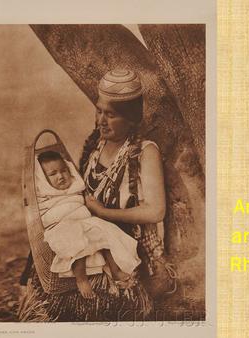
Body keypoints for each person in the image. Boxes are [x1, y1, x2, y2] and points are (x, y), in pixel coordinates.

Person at [80, 69, 175, 298]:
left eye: (110, 115)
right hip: (93, 238)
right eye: (99, 111)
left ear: (131, 118)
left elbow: (155, 211)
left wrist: (103, 213)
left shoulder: (144, 151)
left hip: (130, 247)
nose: (101, 121)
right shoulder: (95, 147)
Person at [35, 150, 140, 299]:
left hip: (83, 221)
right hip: (61, 226)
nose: (61, 176)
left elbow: (83, 201)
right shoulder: (44, 193)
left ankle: (115, 270)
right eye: (53, 174)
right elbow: (43, 213)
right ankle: (81, 278)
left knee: (106, 231)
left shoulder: (75, 187)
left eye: (64, 171)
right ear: (43, 180)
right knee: (76, 241)